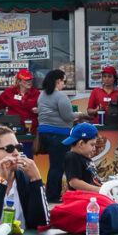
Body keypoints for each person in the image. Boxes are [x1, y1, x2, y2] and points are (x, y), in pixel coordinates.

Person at [62, 122, 102, 235]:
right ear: (80, 143)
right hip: (82, 204)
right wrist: (100, 190)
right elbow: (74, 182)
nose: (94, 149)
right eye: (92, 145)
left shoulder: (85, 158)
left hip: (92, 202)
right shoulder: (72, 157)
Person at [36, 69, 74, 203]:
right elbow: (68, 116)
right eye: (64, 81)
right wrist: (78, 115)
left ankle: (53, 195)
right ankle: (52, 197)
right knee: (57, 167)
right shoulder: (61, 96)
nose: (64, 84)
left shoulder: (42, 95)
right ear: (58, 81)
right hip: (59, 135)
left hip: (44, 133)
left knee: (55, 165)